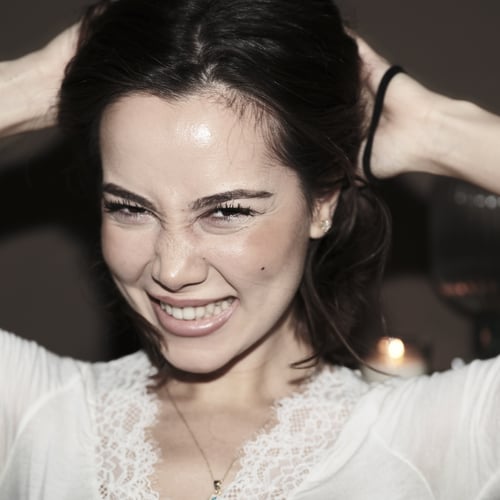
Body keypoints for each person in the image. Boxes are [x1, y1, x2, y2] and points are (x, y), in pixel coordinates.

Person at [1, 0, 500, 499]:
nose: (172, 270)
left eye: (226, 212)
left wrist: (436, 130)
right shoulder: (36, 419)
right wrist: (35, 84)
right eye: (130, 208)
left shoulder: (437, 441)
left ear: (323, 201)